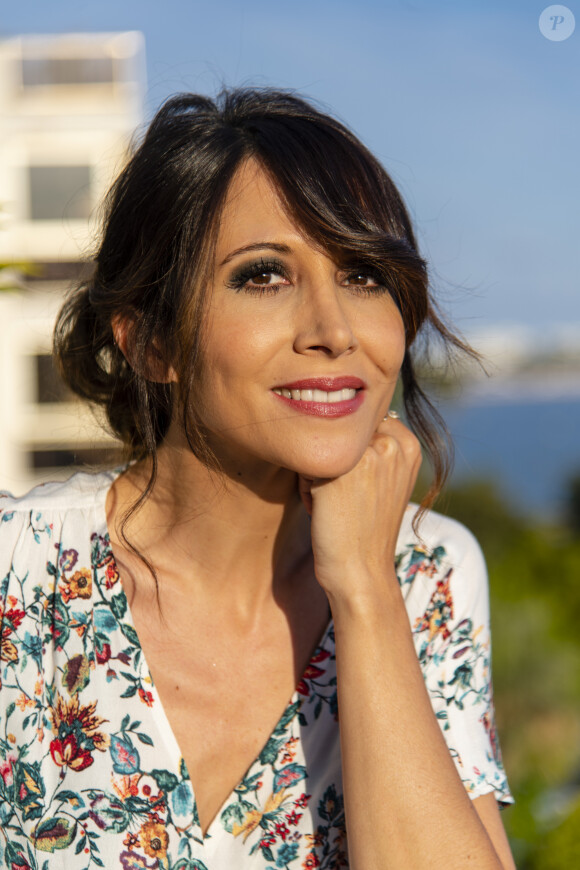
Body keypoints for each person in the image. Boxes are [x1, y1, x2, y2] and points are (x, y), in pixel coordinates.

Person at [0, 88, 515, 869]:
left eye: (364, 276)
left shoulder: (428, 575)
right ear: (149, 342)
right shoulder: (19, 572)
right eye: (265, 276)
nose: (334, 331)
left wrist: (367, 595)